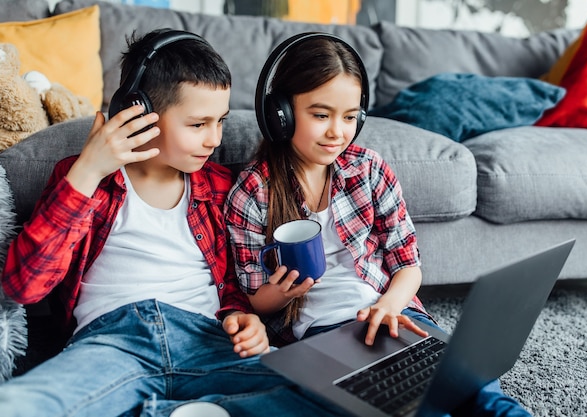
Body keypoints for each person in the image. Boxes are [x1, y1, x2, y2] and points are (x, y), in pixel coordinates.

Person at [0, 29, 350, 417]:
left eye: (220, 121)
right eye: (198, 125)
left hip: (207, 340)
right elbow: (23, 286)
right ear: (136, 111)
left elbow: (233, 283)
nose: (214, 139)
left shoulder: (218, 186)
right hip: (114, 343)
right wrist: (88, 171)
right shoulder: (82, 178)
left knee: (334, 397)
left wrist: (243, 316)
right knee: (21, 405)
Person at [224, 32, 533, 417]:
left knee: (479, 391)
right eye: (321, 115)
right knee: (416, 407)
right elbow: (256, 296)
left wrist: (388, 306)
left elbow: (408, 265)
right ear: (281, 113)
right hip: (326, 333)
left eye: (350, 117)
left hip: (395, 310)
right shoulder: (253, 191)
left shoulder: (368, 168)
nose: (338, 131)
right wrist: (284, 290)